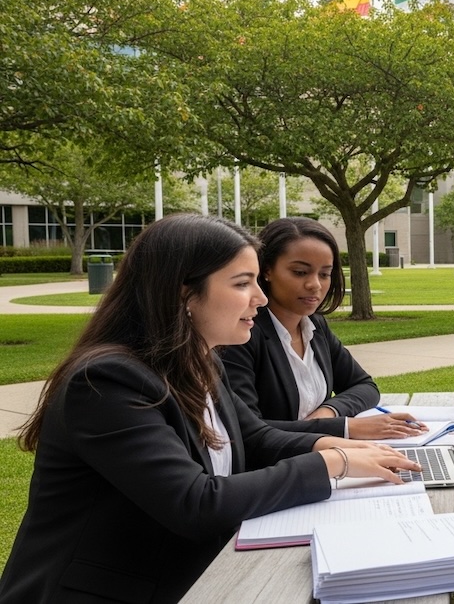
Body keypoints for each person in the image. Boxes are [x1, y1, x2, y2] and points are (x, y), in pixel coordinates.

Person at [0, 214, 420, 603]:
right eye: (242, 284)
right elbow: (194, 503)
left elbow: (253, 436)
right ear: (184, 292)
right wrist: (332, 464)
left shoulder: (201, 358)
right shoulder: (107, 383)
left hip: (192, 575)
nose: (259, 298)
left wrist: (340, 447)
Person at [221, 217, 426, 440]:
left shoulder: (315, 325)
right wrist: (345, 428)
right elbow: (248, 431)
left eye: (324, 274)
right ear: (266, 270)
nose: (315, 285)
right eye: (300, 272)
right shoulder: (241, 335)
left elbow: (364, 386)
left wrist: (329, 413)